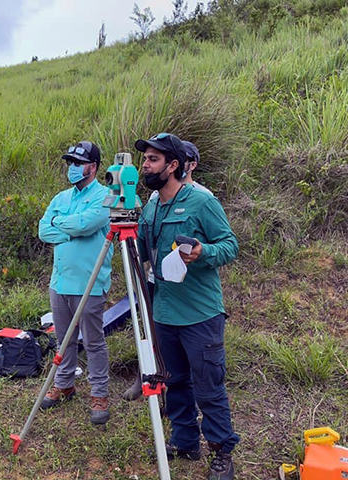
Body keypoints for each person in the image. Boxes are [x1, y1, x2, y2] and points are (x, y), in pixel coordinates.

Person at [135, 132, 239, 480]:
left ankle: (222, 452)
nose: (145, 165)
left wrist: (202, 253)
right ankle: (185, 442)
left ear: (174, 165)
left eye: (152, 159)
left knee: (208, 387)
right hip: (164, 312)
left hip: (200, 315)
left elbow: (229, 245)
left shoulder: (201, 202)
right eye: (145, 159)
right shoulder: (151, 206)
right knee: (176, 382)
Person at [35, 141, 114, 425]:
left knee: (93, 342)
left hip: (90, 284)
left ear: (93, 166)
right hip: (59, 283)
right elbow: (44, 230)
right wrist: (70, 229)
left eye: (78, 163)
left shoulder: (106, 196)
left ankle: (99, 393)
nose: (72, 168)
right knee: (63, 340)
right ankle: (65, 383)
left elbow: (87, 225)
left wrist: (63, 225)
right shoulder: (62, 198)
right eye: (70, 163)